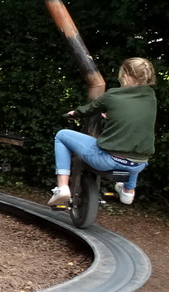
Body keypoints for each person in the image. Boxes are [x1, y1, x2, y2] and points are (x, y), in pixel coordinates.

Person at [47, 57, 157, 207]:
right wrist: (111, 119)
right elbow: (133, 121)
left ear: (124, 75)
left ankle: (62, 187)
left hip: (107, 160)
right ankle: (128, 191)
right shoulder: (151, 96)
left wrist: (74, 113)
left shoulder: (112, 95)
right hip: (139, 164)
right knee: (135, 150)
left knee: (61, 135)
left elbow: (89, 109)